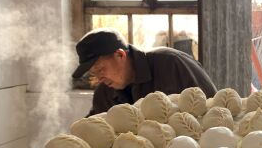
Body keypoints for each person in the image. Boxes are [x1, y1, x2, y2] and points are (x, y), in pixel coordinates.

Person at [72, 28, 217, 116]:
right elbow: (94, 131)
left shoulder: (172, 64)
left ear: (120, 55)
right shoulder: (104, 93)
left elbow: (214, 109)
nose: (99, 78)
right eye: (93, 73)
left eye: (100, 69)